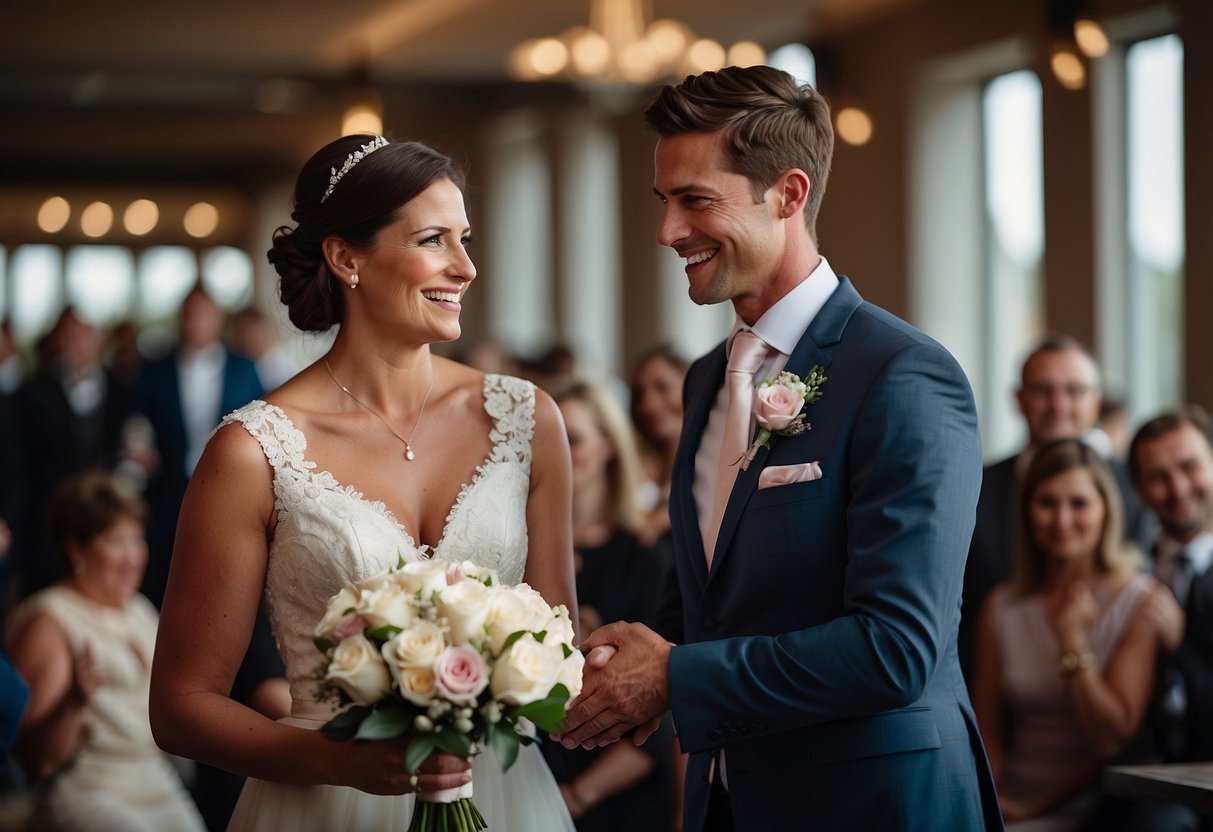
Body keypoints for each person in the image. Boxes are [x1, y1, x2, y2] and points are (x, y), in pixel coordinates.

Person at [554, 65, 1001, 831]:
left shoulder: (902, 375)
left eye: (696, 200)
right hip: (727, 800)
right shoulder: (705, 381)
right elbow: (705, 610)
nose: (668, 232)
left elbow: (896, 649)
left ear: (787, 195)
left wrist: (672, 676)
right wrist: (598, 671)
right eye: (664, 202)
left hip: (873, 805)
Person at [148, 135, 578, 831]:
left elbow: (562, 648)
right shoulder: (252, 452)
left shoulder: (528, 420)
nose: (465, 267)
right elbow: (180, 707)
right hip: (323, 804)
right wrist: (330, 758)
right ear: (347, 257)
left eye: (464, 239)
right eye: (434, 240)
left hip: (504, 797)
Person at [971, 439, 1175, 830]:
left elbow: (1110, 740)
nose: (1062, 520)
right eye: (1047, 503)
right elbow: (987, 731)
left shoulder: (1139, 601)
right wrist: (989, 800)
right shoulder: (1002, 607)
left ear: (1105, 509)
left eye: (1079, 504)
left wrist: (1072, 641)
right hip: (1007, 798)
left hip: (1094, 807)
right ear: (1027, 511)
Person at [6, 470, 205, 831]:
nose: (133, 558)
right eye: (116, 542)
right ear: (77, 550)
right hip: (92, 790)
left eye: (137, 539)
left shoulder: (139, 609)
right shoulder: (50, 617)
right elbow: (39, 758)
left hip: (157, 781)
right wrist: (75, 701)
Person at [962, 335, 1154, 681]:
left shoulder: (1139, 486)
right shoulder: (973, 486)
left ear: (1096, 402)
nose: (1058, 404)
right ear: (1018, 400)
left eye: (1074, 391)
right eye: (1043, 390)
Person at [542, 379, 674, 832]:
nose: (558, 450)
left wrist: (577, 797)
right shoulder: (518, 548)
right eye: (550, 438)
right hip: (534, 771)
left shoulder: (645, 556)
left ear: (609, 447)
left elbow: (662, 703)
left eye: (573, 439)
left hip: (616, 799)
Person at [128, 283, 265, 608]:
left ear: (218, 319)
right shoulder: (155, 369)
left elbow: (262, 420)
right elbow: (136, 422)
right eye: (190, 314)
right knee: (165, 574)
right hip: (166, 489)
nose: (196, 321)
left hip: (228, 487)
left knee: (221, 573)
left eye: (204, 314)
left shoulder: (243, 368)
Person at [1117, 407, 1213, 832]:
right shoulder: (1128, 570)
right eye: (1158, 476)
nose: (1177, 488)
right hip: (1138, 781)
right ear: (1138, 487)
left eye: (1189, 467)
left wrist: (1178, 645)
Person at [13, 308, 134, 600]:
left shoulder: (124, 391)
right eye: (68, 337)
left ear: (99, 342)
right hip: (47, 517)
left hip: (106, 514)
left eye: (83, 336)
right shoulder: (32, 392)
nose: (76, 344)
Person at [630, 345, 689, 549]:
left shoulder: (716, 461)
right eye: (640, 395)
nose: (649, 405)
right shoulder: (632, 464)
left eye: (662, 387)